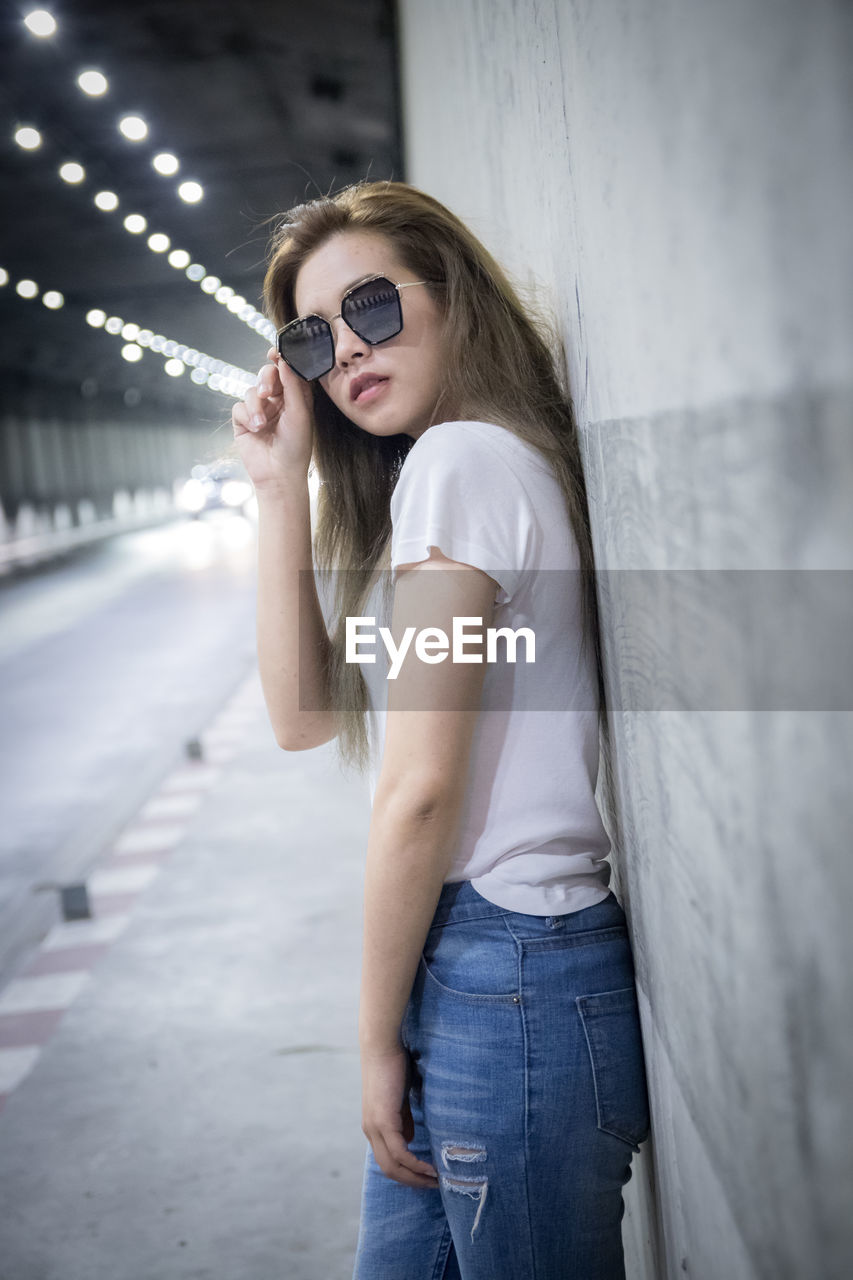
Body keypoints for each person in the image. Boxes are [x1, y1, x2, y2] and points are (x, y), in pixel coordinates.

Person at [231, 180, 651, 1280]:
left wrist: (373, 1039)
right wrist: (281, 489)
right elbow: (302, 714)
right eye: (312, 338)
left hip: (509, 973)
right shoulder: (472, 463)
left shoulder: (461, 465)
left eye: (373, 305)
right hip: (489, 970)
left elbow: (417, 792)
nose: (348, 350)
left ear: (450, 291)